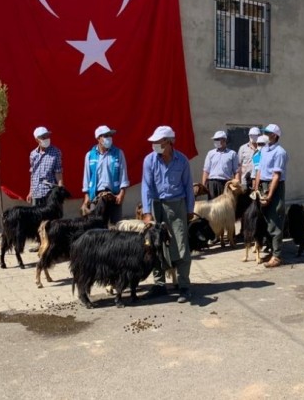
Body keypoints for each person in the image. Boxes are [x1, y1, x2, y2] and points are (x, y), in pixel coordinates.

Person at [141, 125, 195, 303]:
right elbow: (146, 186)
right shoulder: (149, 160)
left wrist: (189, 210)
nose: (155, 144)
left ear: (169, 142)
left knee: (180, 244)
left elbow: (188, 186)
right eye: (154, 141)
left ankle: (184, 285)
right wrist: (147, 212)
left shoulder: (182, 160)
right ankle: (159, 284)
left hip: (177, 205)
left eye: (159, 141)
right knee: (156, 246)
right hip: (157, 205)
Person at [253, 123, 288, 268]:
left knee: (274, 221)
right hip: (263, 185)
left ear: (274, 135)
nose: (265, 135)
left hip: (274, 186)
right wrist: (255, 188)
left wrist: (269, 195)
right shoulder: (265, 150)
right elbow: (259, 171)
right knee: (265, 220)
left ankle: (277, 256)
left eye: (267, 133)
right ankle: (271, 250)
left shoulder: (280, 152)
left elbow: (276, 175)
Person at [81, 125, 130, 225]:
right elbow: (86, 177)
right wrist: (86, 197)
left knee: (116, 226)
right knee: (96, 226)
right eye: (106, 136)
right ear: (98, 138)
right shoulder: (90, 155)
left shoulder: (118, 153)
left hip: (114, 195)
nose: (109, 138)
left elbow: (123, 176)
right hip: (96, 197)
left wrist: (121, 194)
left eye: (110, 136)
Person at [27, 126, 63, 206]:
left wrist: (60, 189)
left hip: (49, 193)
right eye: (43, 137)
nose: (46, 139)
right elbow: (33, 174)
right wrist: (30, 192)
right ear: (37, 139)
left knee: (49, 217)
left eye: (47, 136)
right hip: (36, 193)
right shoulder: (33, 154)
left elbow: (58, 172)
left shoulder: (56, 152)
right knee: (37, 217)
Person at [201, 130, 239, 198]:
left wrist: (236, 185)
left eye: (217, 139)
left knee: (224, 206)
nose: (216, 141)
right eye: (215, 139)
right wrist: (203, 185)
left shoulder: (232, 154)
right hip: (212, 183)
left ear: (224, 140)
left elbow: (236, 171)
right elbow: (206, 170)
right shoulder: (211, 153)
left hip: (225, 183)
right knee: (212, 205)